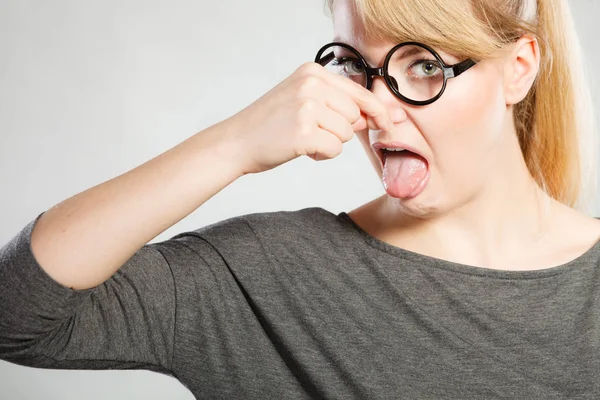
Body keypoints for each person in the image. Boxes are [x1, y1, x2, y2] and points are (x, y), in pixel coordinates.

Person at [1, 0, 599, 398]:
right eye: (353, 66)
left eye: (422, 65)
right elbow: (16, 317)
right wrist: (230, 145)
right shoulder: (273, 274)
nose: (378, 110)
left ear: (519, 69)